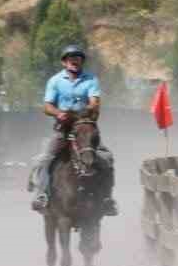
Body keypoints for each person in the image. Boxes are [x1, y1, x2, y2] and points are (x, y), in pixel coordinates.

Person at [32, 44, 117, 215]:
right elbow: (47, 106)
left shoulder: (91, 80)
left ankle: (107, 199)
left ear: (81, 61)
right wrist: (58, 113)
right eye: (71, 58)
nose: (75, 61)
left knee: (106, 159)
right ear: (64, 62)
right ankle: (42, 195)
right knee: (44, 159)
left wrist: (90, 108)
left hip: (85, 127)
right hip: (63, 129)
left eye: (78, 58)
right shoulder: (55, 81)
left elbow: (95, 101)